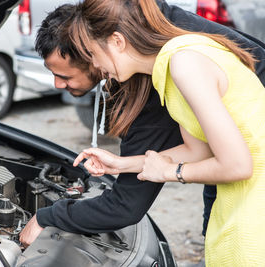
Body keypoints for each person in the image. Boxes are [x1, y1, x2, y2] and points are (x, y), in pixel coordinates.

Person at [19, 0, 265, 250]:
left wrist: (171, 172)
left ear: (117, 41)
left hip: (254, 202)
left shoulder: (182, 64)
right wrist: (123, 164)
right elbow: (199, 150)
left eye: (91, 54)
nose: (95, 65)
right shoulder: (167, 53)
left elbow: (236, 165)